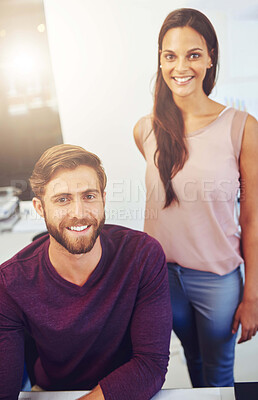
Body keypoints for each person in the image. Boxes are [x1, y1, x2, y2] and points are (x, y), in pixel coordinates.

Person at [134, 8, 258, 388]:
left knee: (218, 375)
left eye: (193, 54)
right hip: (161, 279)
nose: (180, 66)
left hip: (217, 281)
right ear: (160, 59)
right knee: (192, 361)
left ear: (210, 58)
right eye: (170, 55)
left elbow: (252, 218)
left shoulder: (242, 127)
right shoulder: (145, 130)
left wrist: (252, 294)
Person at [0, 144, 172, 400]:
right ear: (39, 207)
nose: (78, 214)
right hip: (52, 392)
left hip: (128, 391)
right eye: (62, 199)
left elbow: (151, 364)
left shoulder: (142, 255)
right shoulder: (10, 281)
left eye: (89, 196)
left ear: (103, 198)